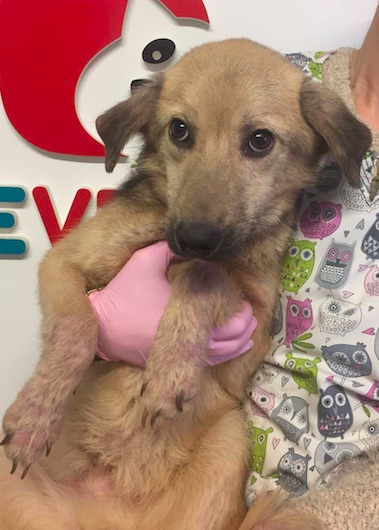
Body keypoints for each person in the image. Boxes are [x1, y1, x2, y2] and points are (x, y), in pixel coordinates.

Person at [89, 2, 379, 521]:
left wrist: (322, 519)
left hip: (274, 503)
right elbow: (131, 233)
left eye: (259, 142)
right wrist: (96, 321)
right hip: (168, 455)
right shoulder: (261, 78)